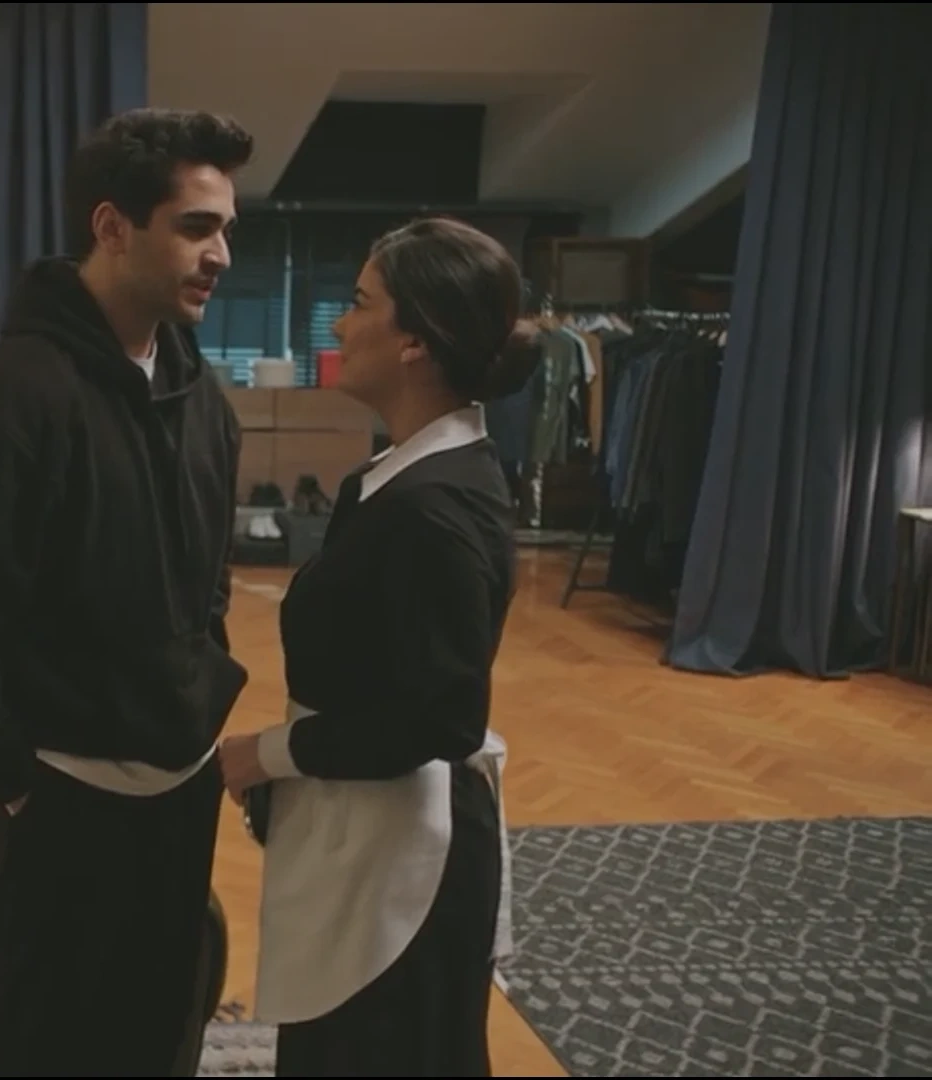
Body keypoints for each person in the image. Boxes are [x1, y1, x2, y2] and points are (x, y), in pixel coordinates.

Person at [0, 108, 256, 1077]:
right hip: (60, 804)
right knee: (38, 1050)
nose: (221, 255)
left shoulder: (204, 402)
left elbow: (207, 584)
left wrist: (200, 692)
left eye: (226, 230)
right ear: (111, 226)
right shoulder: (11, 398)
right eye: (196, 227)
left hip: (181, 793)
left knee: (157, 1040)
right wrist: (17, 782)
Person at [217, 216, 536, 1077]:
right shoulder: (397, 478)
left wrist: (265, 754)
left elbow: (441, 718)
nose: (339, 323)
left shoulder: (429, 511)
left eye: (359, 303)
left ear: (414, 342)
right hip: (369, 833)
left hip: (405, 859)